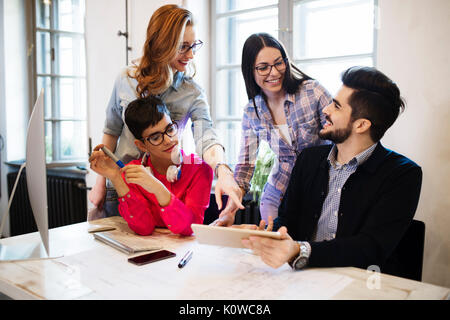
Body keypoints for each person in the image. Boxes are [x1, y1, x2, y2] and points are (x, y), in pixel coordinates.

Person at [241, 66, 422, 274]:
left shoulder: (403, 175)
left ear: (361, 125)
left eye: (336, 106)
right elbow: (287, 220)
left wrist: (299, 250)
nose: (325, 109)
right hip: (301, 280)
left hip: (359, 287)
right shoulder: (308, 160)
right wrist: (264, 234)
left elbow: (370, 248)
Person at [89, 4, 243, 218]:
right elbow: (111, 131)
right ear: (161, 44)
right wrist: (100, 183)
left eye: (193, 45)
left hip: (163, 190)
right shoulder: (126, 79)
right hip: (122, 188)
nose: (190, 55)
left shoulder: (192, 92)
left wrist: (222, 169)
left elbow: (205, 137)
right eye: (182, 47)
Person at [212, 33, 333, 226]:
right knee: (273, 246)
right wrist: (230, 210)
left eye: (279, 63)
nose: (274, 72)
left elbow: (342, 135)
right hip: (279, 190)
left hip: (321, 187)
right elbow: (245, 166)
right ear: (250, 71)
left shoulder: (312, 92)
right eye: (263, 67)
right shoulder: (252, 111)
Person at [89, 96, 213, 236]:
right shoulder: (133, 172)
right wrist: (116, 178)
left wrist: (157, 187)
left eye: (170, 129)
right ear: (142, 146)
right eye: (155, 138)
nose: (168, 140)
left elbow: (189, 229)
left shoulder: (200, 169)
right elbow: (143, 228)